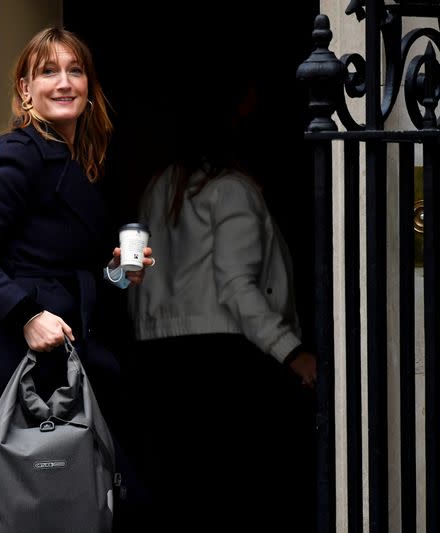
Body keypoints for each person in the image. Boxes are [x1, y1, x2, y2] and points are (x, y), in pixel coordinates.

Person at [0, 27, 152, 533]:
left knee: (72, 507)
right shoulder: (19, 152)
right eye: (48, 72)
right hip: (7, 369)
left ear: (89, 85)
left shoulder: (80, 163)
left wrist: (114, 273)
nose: (64, 82)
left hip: (60, 363)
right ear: (25, 90)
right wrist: (27, 315)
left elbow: (68, 273)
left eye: (75, 70)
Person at [125, 74, 318, 532]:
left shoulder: (159, 187)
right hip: (221, 368)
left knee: (180, 495)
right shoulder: (230, 189)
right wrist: (292, 352)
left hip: (160, 363)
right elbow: (235, 284)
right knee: (231, 497)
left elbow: (136, 279)